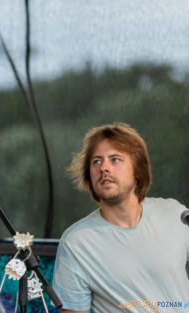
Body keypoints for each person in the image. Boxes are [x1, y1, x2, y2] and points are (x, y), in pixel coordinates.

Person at [53, 123, 189, 313]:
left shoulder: (175, 215)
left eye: (115, 159)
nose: (104, 168)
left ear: (138, 172)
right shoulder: (76, 243)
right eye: (96, 161)